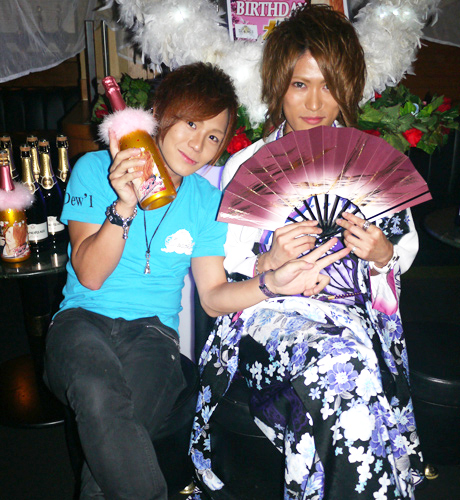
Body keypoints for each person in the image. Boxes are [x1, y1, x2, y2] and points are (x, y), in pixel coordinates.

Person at [43, 61, 348, 500]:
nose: (198, 144)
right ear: (159, 116)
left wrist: (272, 283)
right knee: (98, 391)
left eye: (213, 137)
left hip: (153, 336)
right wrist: (123, 206)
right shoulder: (97, 168)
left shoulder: (206, 201)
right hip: (80, 322)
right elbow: (90, 277)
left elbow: (213, 296)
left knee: (110, 448)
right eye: (191, 124)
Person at [190, 5, 423, 500]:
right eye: (300, 84)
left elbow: (399, 260)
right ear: (280, 86)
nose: (315, 102)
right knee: (347, 367)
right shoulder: (248, 164)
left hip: (351, 317)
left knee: (348, 369)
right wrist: (268, 259)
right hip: (269, 318)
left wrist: (381, 254)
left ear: (349, 89)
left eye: (329, 85)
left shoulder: (369, 163)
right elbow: (224, 278)